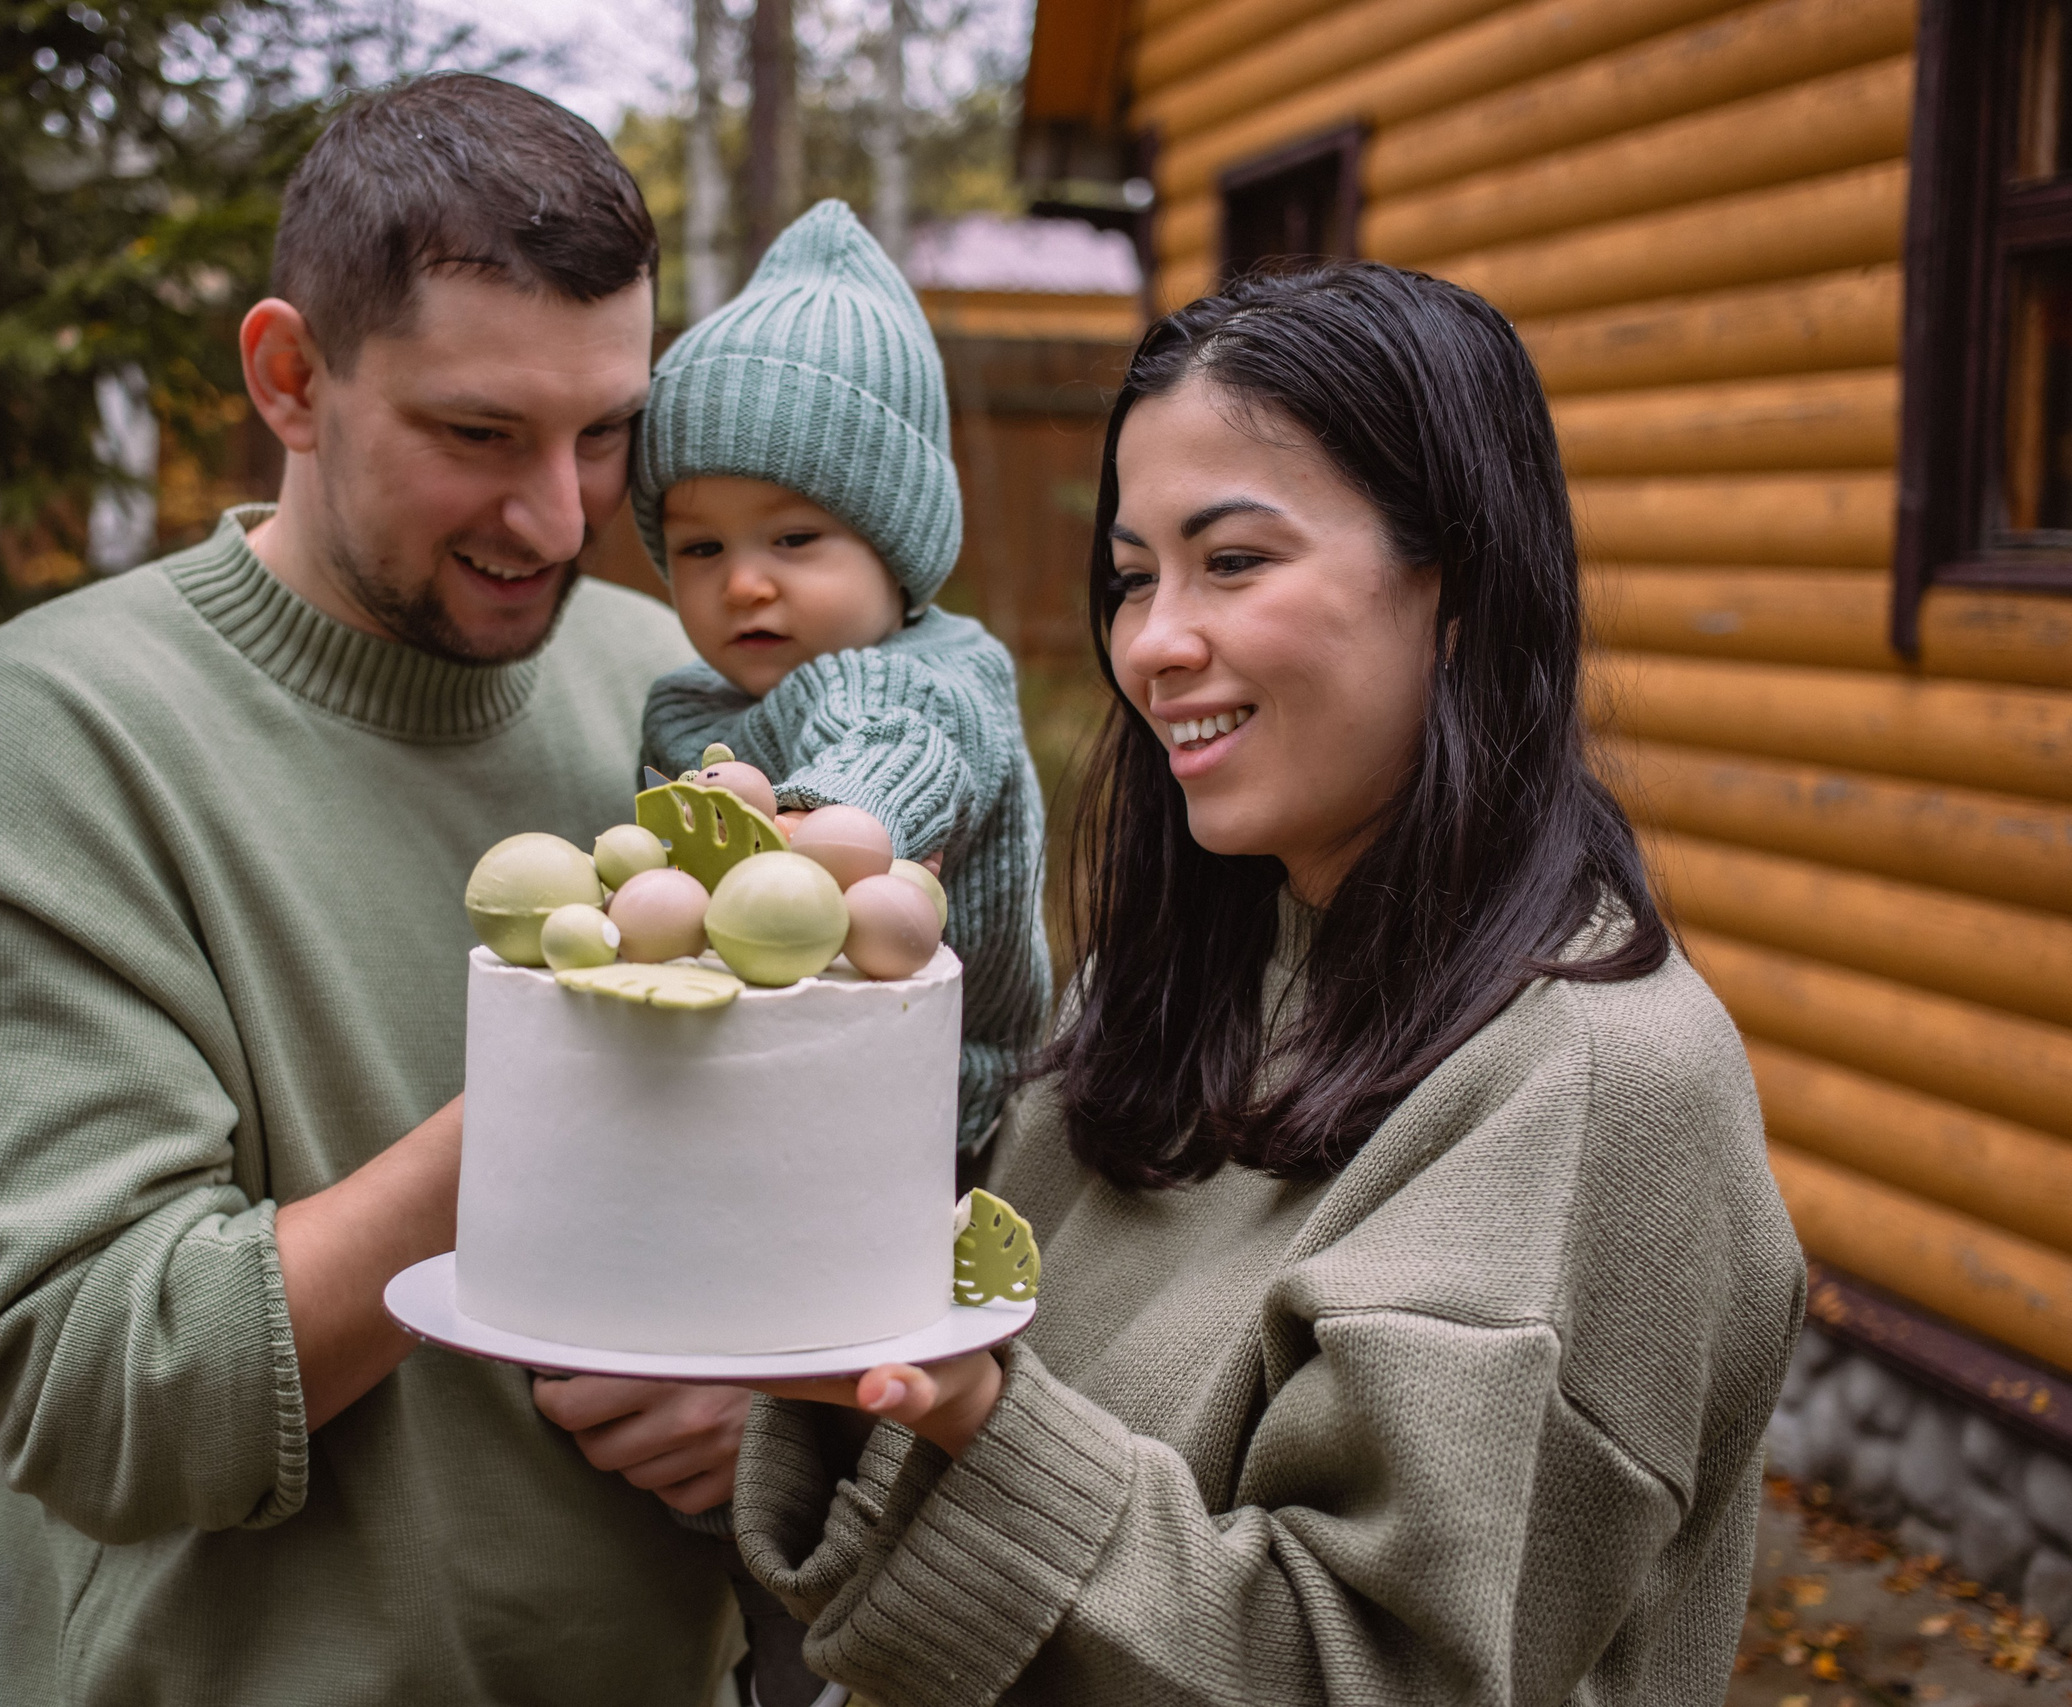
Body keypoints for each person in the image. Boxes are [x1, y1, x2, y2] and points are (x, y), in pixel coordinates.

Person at [722, 263, 1807, 1702]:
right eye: (1130, 576)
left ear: (1462, 587)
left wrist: (973, 1413)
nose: (1156, 642)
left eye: (1232, 560)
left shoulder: (1602, 1085)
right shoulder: (1161, 991)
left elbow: (1370, 1670)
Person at [0, 75, 747, 1702]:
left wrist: (774, 1391)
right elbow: (106, 1385)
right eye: (480, 434)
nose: (557, 516)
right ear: (290, 376)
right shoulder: (58, 740)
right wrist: (567, 1086)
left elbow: (808, 1204)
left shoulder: (673, 695)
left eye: (605, 432)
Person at [630, 197, 1050, 1155]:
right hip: (756, 1085)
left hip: (940, 1113)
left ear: (898, 548)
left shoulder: (923, 677)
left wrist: (829, 821)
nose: (743, 582)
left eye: (794, 537)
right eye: (700, 546)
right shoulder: (693, 704)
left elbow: (902, 743)